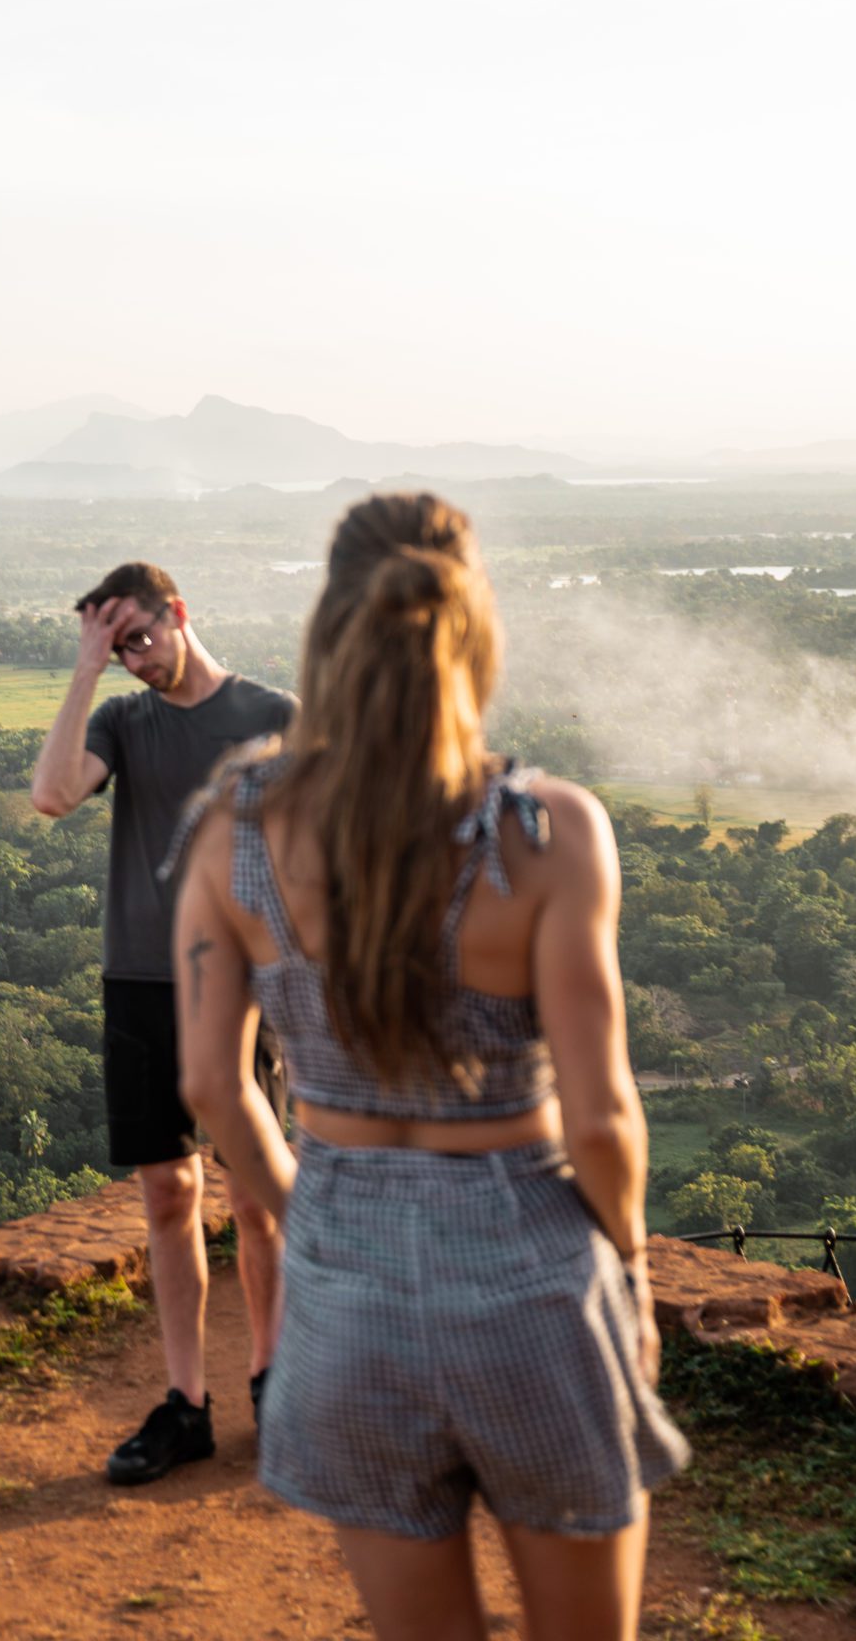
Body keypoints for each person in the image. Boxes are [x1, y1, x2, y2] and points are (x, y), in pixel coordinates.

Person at [171, 494, 688, 1641]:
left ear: (327, 627)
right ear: (473, 628)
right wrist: (634, 1279)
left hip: (342, 1276)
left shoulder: (234, 829)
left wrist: (314, 1220)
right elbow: (600, 1117)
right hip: (525, 1267)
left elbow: (213, 1088)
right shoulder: (546, 832)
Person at [30, 559, 295, 1485]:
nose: (133, 659)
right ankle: (187, 1405)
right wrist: (84, 671)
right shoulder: (120, 720)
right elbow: (54, 795)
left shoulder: (272, 715)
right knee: (167, 1196)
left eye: (138, 637)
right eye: (115, 647)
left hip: (245, 985)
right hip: (140, 977)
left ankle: (277, 1383)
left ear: (178, 613)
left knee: (257, 1199)